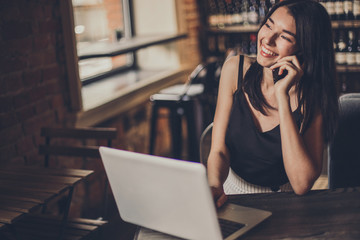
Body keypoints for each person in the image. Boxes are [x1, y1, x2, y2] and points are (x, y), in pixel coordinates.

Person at [207, 0, 339, 207]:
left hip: (283, 204)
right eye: (268, 25)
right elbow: (219, 150)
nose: (267, 39)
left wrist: (282, 95)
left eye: (285, 36)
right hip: (230, 196)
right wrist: (215, 185)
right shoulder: (235, 68)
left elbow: (301, 184)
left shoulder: (312, 97)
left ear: (305, 48)